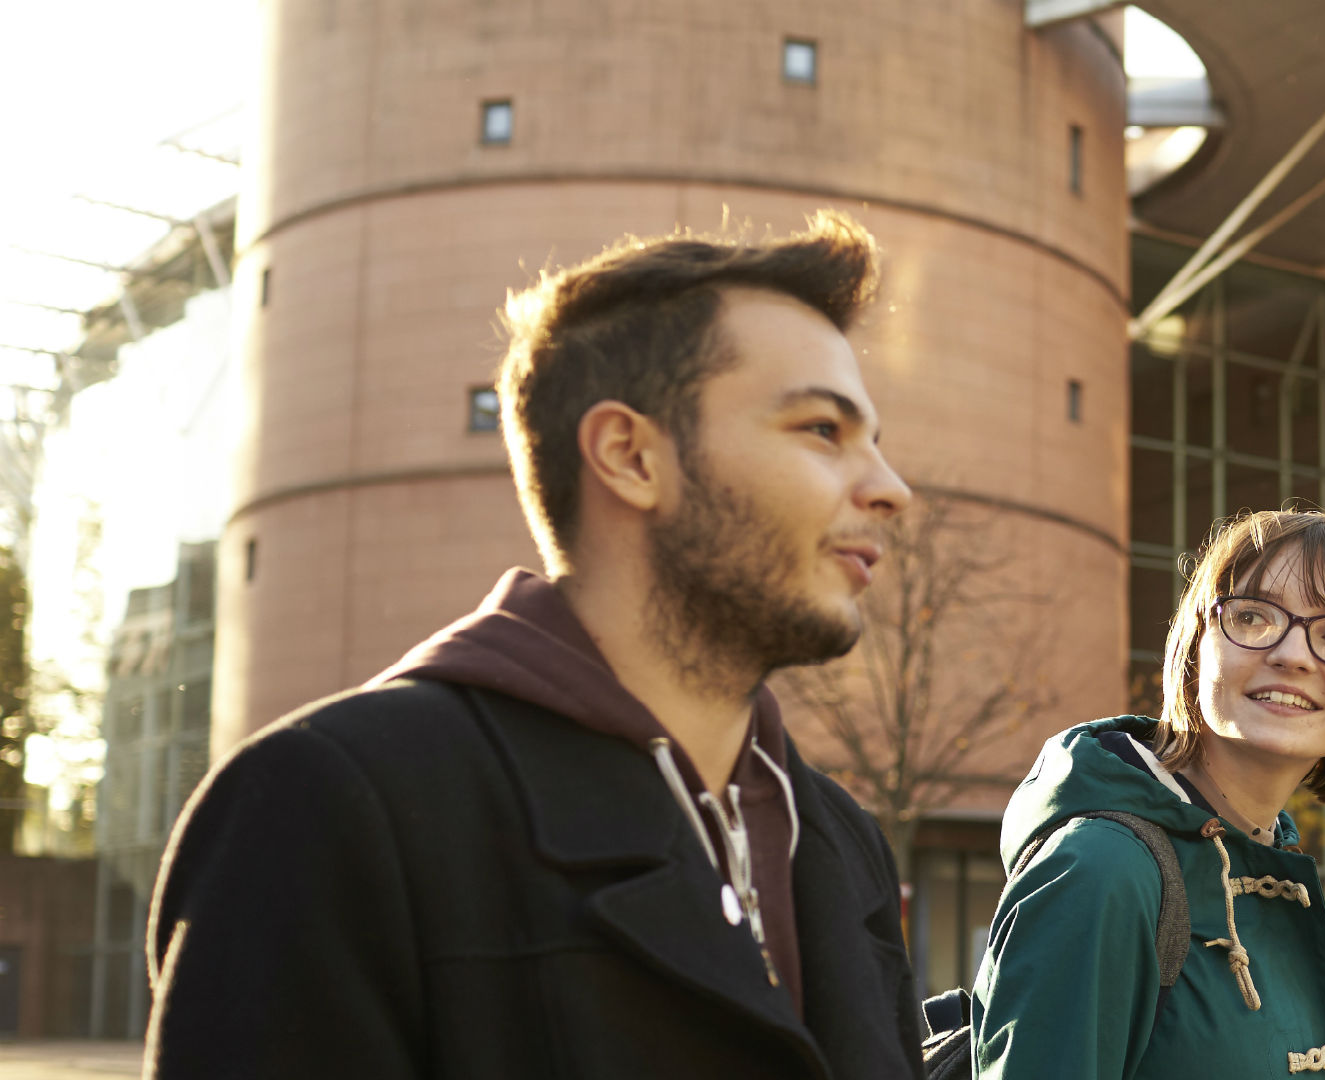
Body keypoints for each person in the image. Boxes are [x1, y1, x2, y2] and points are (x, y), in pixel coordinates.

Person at [146, 213, 924, 1078]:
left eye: (875, 445)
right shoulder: (331, 806)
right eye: (824, 430)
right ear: (630, 456)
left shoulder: (836, 838)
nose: (889, 490)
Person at [970, 510, 1325, 1079]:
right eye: (1253, 617)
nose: (1292, 655)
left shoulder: (1269, 857)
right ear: (1195, 651)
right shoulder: (1103, 869)